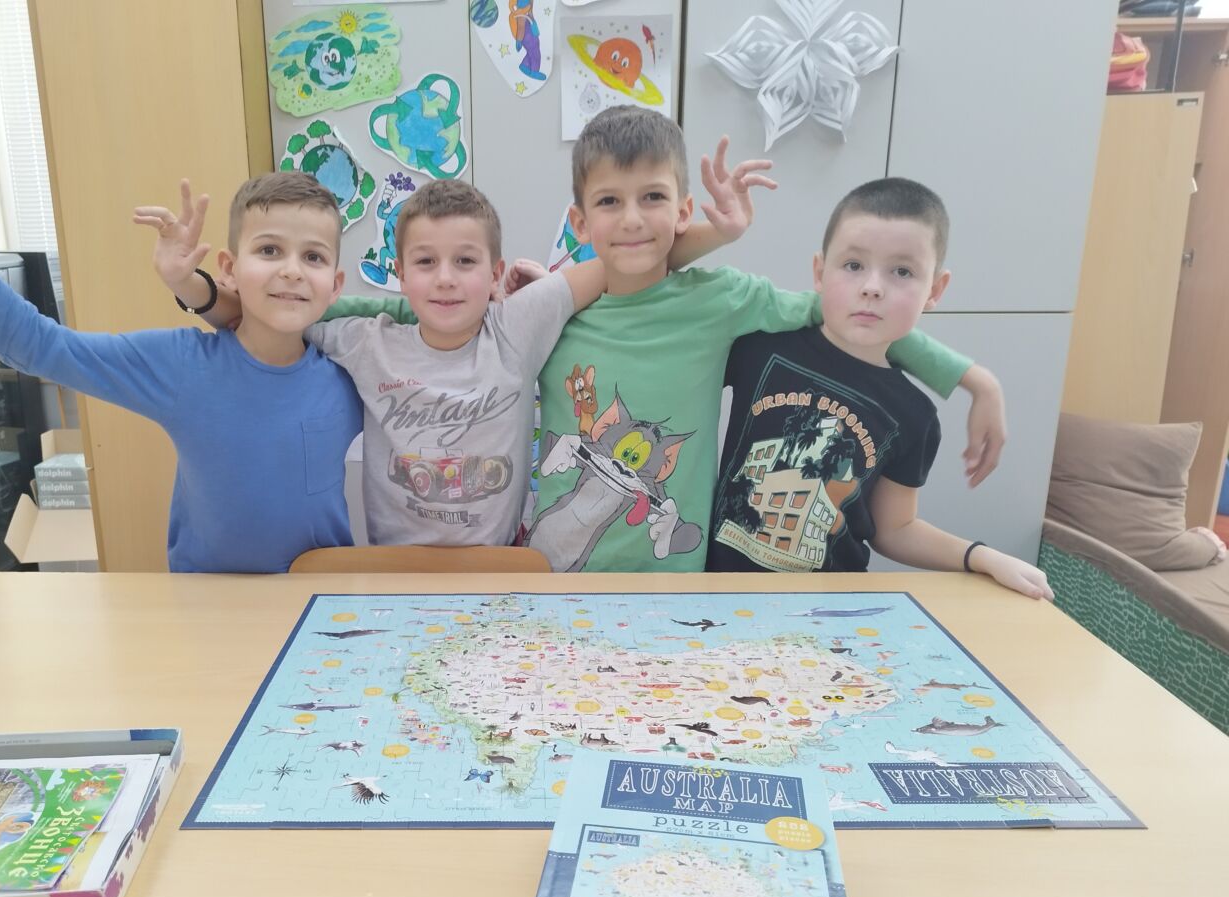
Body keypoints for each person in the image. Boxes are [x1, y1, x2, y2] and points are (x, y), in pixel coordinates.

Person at [146, 145, 770, 546]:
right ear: (400, 273)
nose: (445, 278)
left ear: (496, 275)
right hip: (396, 580)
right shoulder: (364, 339)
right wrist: (188, 286)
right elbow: (260, 313)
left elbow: (625, 261)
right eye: (426, 262)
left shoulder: (517, 326)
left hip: (499, 575)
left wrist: (720, 233)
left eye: (465, 262)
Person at [518, 107, 1005, 573]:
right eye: (609, 201)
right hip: (554, 580)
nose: (632, 219)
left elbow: (850, 312)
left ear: (684, 210)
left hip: (675, 586)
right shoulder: (550, 316)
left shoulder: (720, 301)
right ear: (580, 222)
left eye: (653, 197)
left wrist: (974, 380)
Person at [0, 130, 361, 573]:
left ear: (335, 284)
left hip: (326, 603)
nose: (292, 271)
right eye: (270, 250)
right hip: (210, 606)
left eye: (313, 257)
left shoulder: (354, 370)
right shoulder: (183, 366)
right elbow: (44, 346)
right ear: (229, 268)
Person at [708, 177, 1052, 598]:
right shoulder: (759, 348)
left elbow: (895, 529)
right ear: (819, 271)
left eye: (902, 271)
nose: (872, 287)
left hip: (828, 607)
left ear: (935, 290)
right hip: (717, 594)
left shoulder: (914, 414)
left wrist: (981, 557)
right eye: (853, 265)